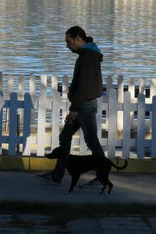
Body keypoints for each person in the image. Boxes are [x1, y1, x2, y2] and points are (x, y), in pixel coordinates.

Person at [36, 25, 105, 187]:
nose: (67, 45)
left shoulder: (88, 57)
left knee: (91, 141)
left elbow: (84, 86)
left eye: (69, 41)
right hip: (83, 104)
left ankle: (101, 177)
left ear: (78, 39)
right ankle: (57, 174)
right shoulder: (87, 54)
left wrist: (74, 108)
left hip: (84, 106)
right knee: (65, 136)